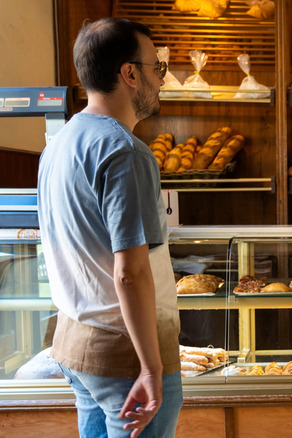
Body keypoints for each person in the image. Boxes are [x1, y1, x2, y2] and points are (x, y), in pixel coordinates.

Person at [37, 17, 181, 438]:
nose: (162, 79)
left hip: (75, 342)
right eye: (157, 68)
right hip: (125, 353)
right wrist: (151, 368)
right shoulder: (125, 151)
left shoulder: (58, 146)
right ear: (130, 74)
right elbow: (130, 272)